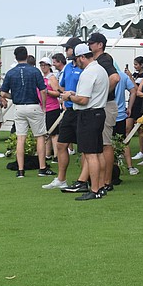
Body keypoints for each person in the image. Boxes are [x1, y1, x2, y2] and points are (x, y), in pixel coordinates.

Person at [60, 43, 109, 200]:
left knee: (90, 154)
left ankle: (94, 190)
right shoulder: (100, 69)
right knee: (98, 151)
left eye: (77, 59)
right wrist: (75, 94)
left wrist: (69, 97)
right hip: (98, 112)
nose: (76, 62)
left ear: (82, 57)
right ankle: (101, 187)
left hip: (88, 115)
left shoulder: (88, 73)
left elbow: (83, 99)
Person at [0, 46, 50, 179]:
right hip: (33, 105)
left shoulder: (10, 73)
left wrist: (14, 96)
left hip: (19, 107)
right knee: (39, 136)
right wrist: (43, 106)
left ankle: (20, 170)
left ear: (15, 57)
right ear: (27, 56)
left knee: (21, 138)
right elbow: (43, 90)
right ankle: (42, 168)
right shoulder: (34, 71)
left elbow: (3, 93)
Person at [87, 33, 120, 193]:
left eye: (92, 43)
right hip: (103, 105)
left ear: (100, 45)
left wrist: (103, 94)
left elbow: (115, 78)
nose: (89, 45)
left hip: (106, 105)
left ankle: (107, 181)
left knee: (106, 144)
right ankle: (101, 180)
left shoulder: (104, 59)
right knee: (101, 143)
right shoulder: (98, 61)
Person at [51, 40, 85, 191]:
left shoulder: (86, 68)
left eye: (68, 49)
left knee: (84, 148)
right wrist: (63, 95)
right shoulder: (68, 68)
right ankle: (61, 179)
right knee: (61, 144)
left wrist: (73, 95)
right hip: (69, 110)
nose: (66, 52)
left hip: (83, 110)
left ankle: (84, 180)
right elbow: (62, 86)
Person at [114, 70, 138, 175]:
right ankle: (130, 167)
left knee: (107, 143)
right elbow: (133, 91)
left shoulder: (104, 75)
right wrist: (130, 107)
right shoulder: (122, 75)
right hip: (120, 114)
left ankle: (113, 168)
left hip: (108, 114)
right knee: (123, 141)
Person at [39, 57, 62, 165]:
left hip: (52, 108)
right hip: (43, 109)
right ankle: (47, 153)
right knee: (46, 133)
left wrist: (47, 91)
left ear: (49, 66)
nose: (43, 67)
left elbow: (57, 93)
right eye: (41, 65)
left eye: (45, 65)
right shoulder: (42, 77)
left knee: (53, 133)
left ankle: (57, 155)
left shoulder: (51, 78)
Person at [127, 56, 143, 160]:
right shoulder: (135, 75)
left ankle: (142, 151)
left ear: (141, 65)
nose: (134, 66)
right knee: (128, 127)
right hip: (132, 102)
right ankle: (123, 149)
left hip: (140, 103)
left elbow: (137, 89)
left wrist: (130, 77)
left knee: (140, 128)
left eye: (136, 64)